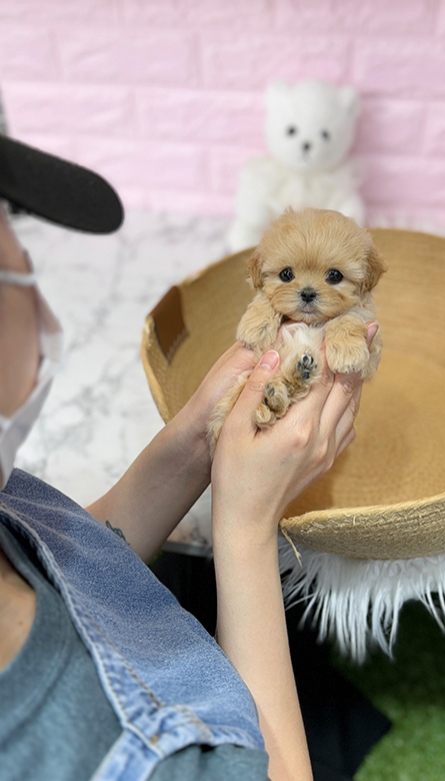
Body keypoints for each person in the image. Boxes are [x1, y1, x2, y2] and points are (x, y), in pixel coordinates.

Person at [0, 135, 378, 781]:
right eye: (15, 267)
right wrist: (245, 523)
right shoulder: (88, 752)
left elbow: (67, 558)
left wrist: (197, 442)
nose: (40, 298)